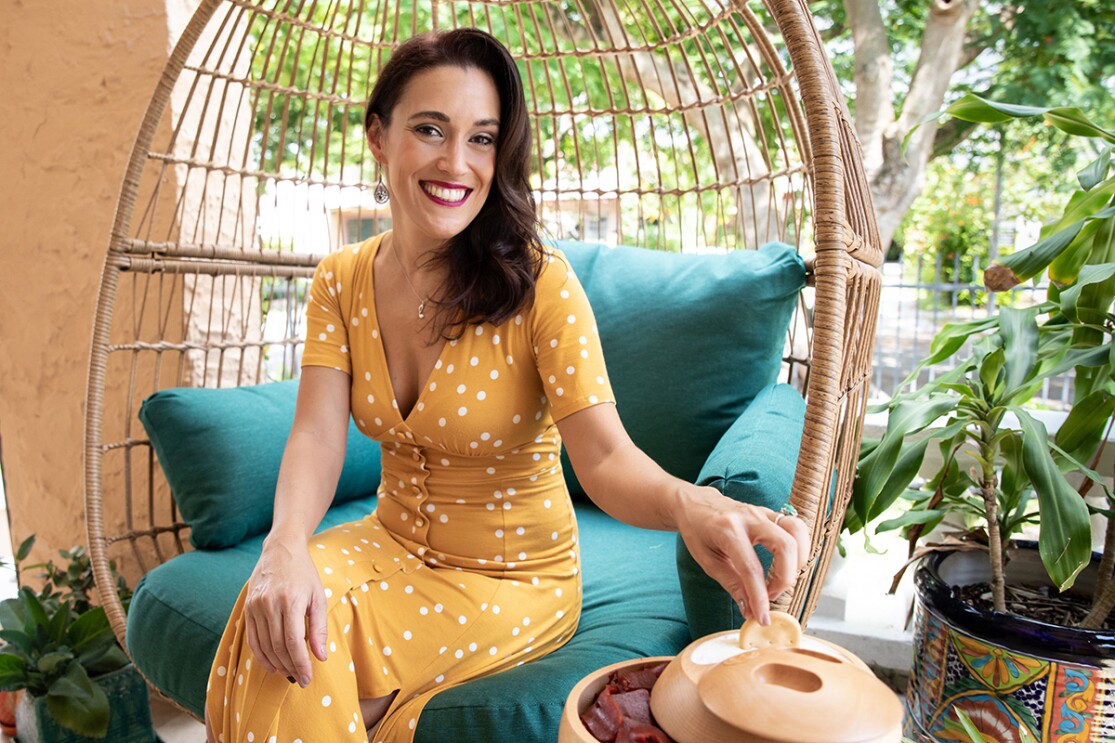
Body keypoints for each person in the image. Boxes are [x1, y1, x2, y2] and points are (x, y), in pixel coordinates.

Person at [205, 27, 808, 743]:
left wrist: (691, 503)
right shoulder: (339, 280)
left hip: (512, 578)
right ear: (377, 136)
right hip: (385, 541)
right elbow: (315, 432)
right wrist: (284, 546)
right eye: (430, 129)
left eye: (482, 138)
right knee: (271, 604)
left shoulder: (541, 284)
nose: (456, 162)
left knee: (301, 649)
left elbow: (607, 459)